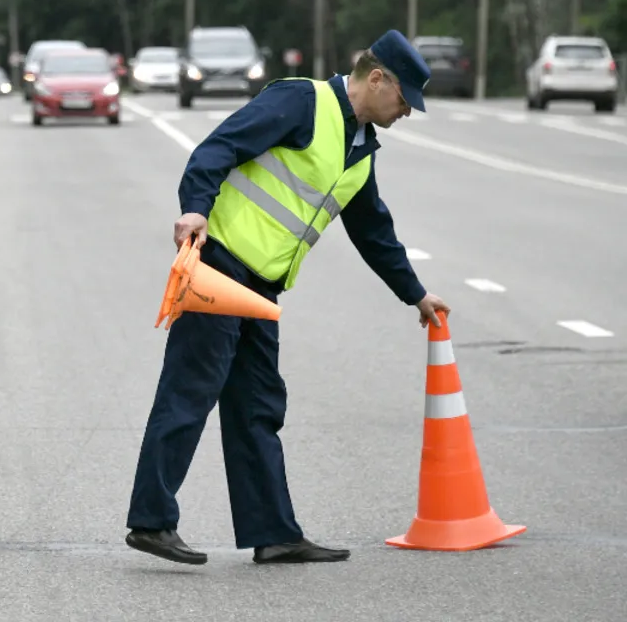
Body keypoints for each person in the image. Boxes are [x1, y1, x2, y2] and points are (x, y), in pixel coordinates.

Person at [125, 29, 451, 566]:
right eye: (404, 100)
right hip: (219, 268)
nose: (407, 112)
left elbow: (373, 231)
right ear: (377, 79)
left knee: (258, 407)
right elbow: (219, 146)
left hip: (261, 288)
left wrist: (415, 295)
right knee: (190, 391)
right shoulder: (302, 101)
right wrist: (195, 208)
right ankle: (151, 522)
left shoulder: (359, 150)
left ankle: (274, 533)